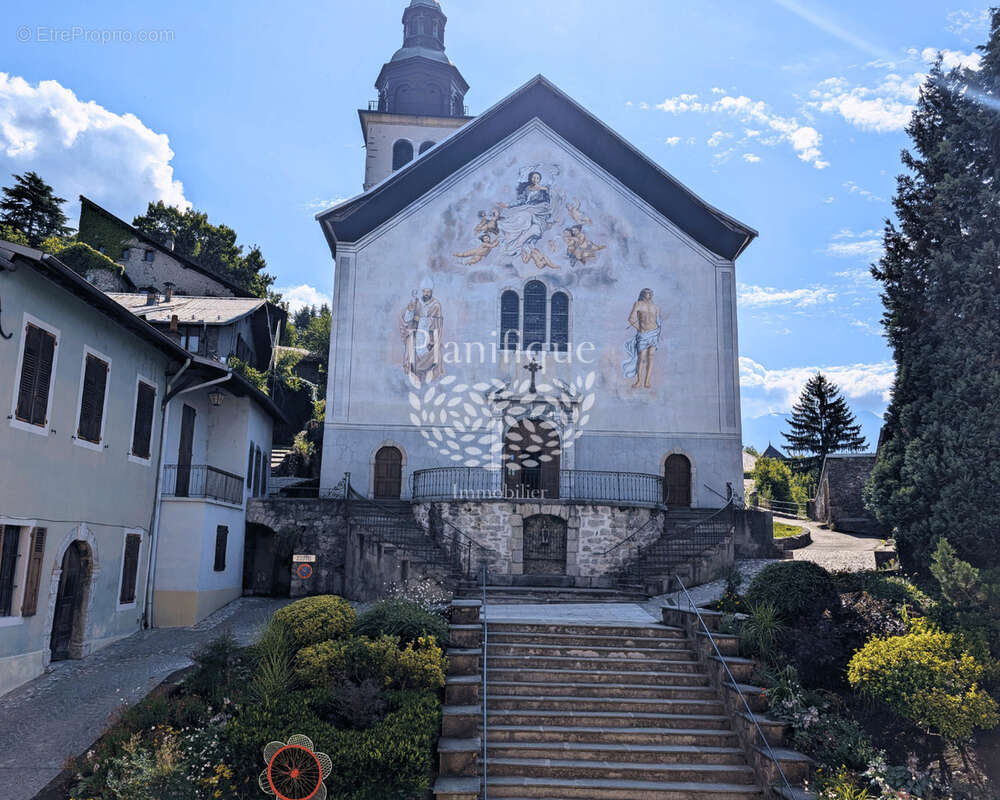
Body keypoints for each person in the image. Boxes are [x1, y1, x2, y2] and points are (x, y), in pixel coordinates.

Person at [400, 284, 444, 382]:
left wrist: (422, 320)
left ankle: (431, 371)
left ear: (431, 292)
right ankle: (412, 370)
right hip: (417, 332)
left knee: (434, 347)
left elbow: (438, 322)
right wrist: (410, 310)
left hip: (430, 335)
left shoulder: (436, 305)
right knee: (410, 340)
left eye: (428, 292)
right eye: (424, 291)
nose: (426, 294)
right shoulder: (417, 302)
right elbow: (407, 319)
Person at [622, 288, 660, 389]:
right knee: (641, 357)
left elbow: (658, 321)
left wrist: (658, 333)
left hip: (654, 333)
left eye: (650, 294)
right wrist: (639, 328)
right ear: (643, 294)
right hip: (643, 334)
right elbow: (630, 318)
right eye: (647, 294)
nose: (649, 295)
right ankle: (639, 381)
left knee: (651, 357)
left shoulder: (655, 307)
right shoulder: (638, 304)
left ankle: (647, 381)